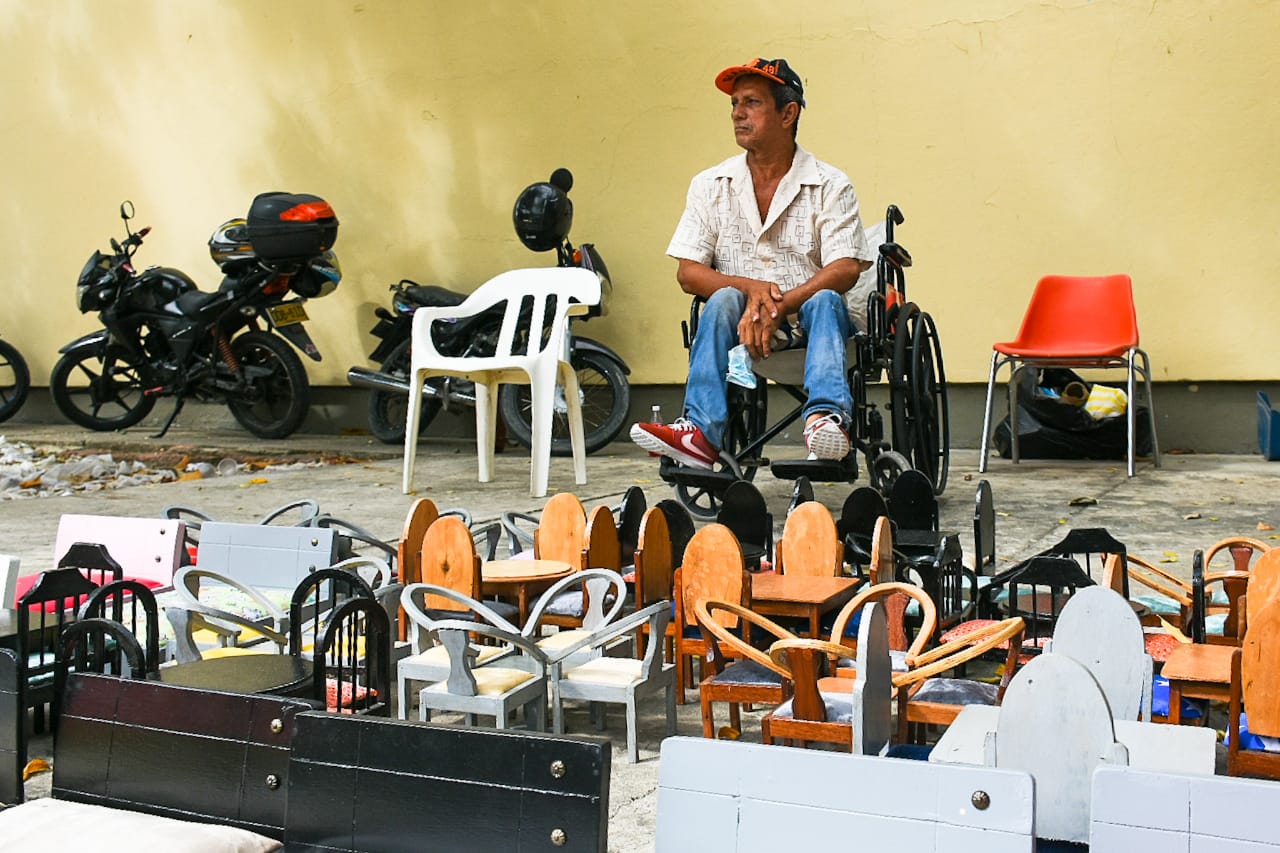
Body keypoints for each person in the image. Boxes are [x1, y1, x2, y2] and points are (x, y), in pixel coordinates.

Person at [631, 57, 875, 469]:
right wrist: (751, 290)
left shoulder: (830, 183)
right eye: (734, 104)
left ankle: (824, 419)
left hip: (816, 325)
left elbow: (846, 267)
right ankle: (700, 432)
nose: (738, 113)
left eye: (752, 103)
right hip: (743, 327)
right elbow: (688, 272)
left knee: (826, 300)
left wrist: (782, 304)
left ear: (788, 113)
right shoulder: (709, 184)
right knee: (723, 298)